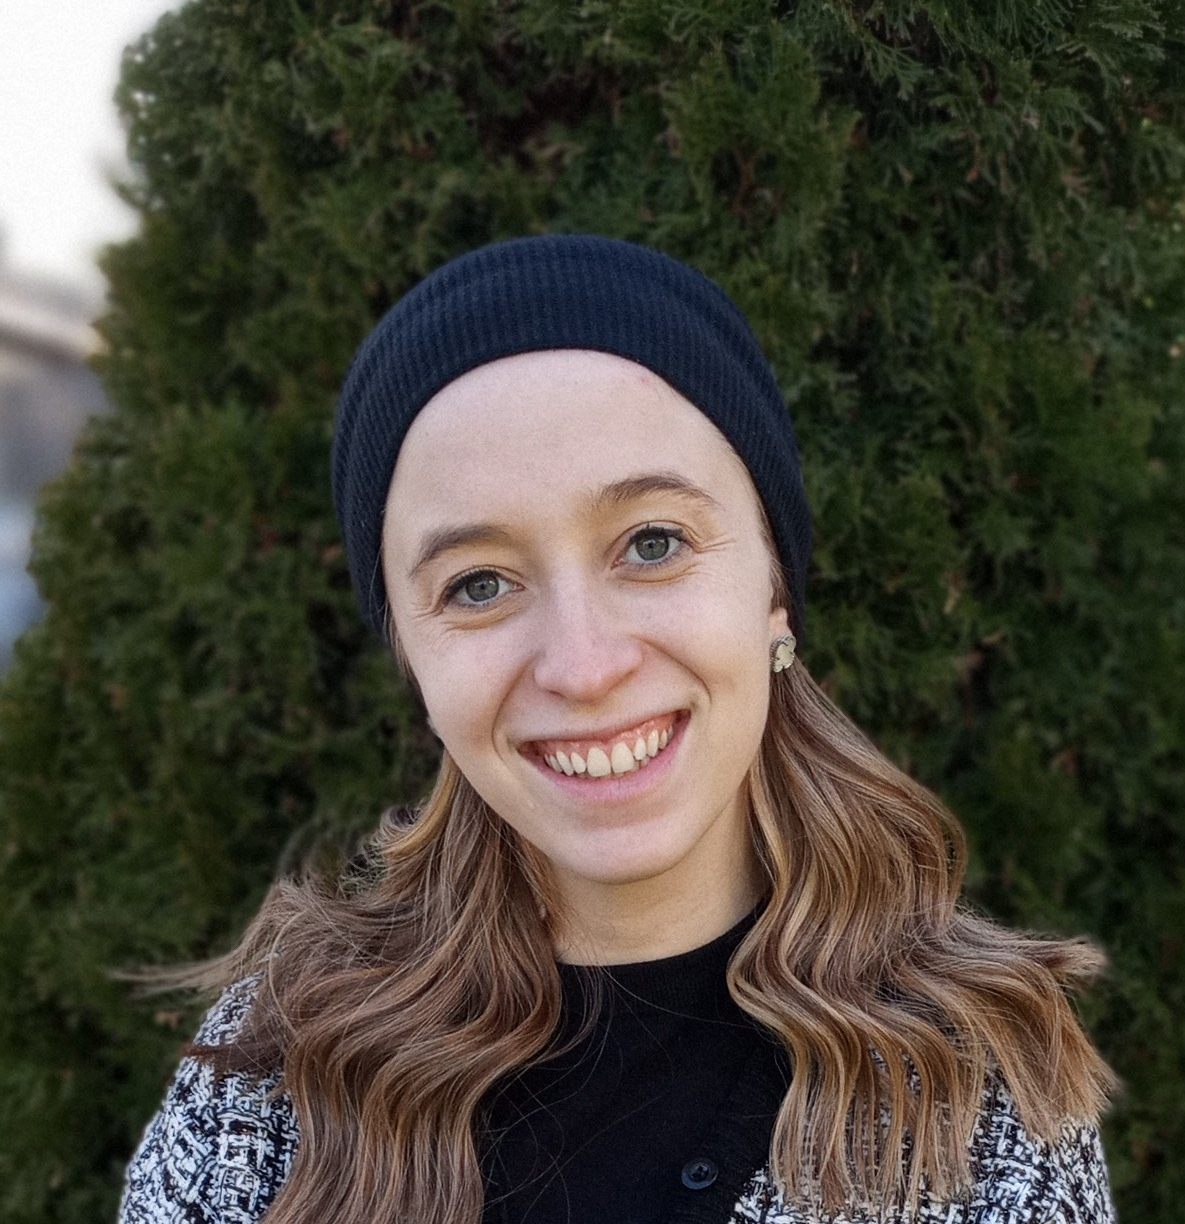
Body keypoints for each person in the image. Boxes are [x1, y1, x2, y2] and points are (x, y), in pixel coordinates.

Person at [119, 235, 1116, 1224]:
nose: (584, 667)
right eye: (478, 585)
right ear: (413, 662)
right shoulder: (276, 1077)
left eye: (652, 543)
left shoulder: (974, 1095)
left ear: (774, 590)